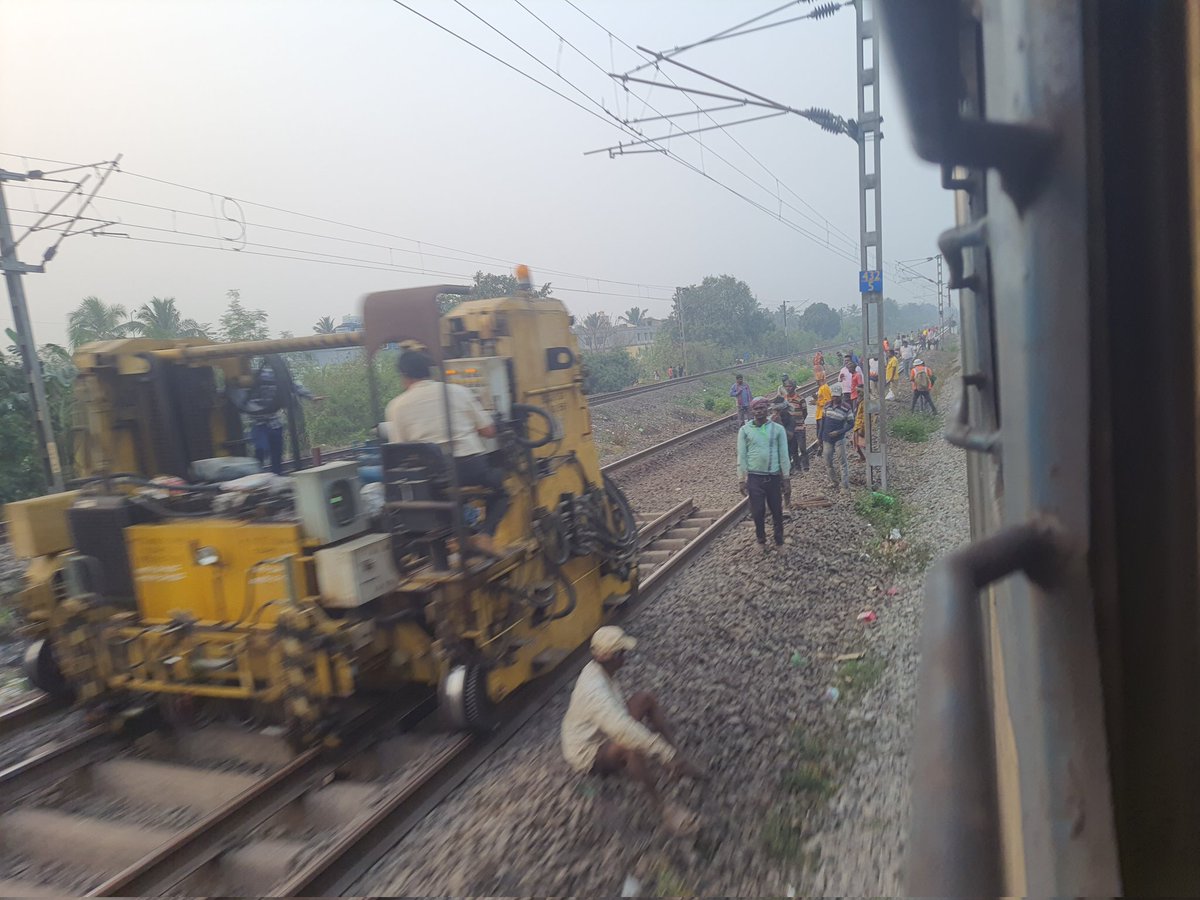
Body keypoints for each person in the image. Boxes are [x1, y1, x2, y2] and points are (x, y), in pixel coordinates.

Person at [561, 626, 702, 834]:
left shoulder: (600, 669)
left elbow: (617, 719)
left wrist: (670, 753)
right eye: (622, 653)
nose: (625, 657)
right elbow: (624, 731)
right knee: (630, 746)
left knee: (645, 699)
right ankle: (662, 809)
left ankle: (678, 762)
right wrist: (662, 752)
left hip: (604, 729)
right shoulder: (594, 692)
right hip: (588, 752)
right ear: (610, 656)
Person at [386, 349, 510, 554]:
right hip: (470, 468)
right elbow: (489, 431)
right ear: (430, 372)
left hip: (433, 478)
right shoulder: (458, 392)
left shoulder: (396, 406)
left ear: (404, 376)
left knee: (440, 496)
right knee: (501, 489)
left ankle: (458, 537)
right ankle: (486, 535)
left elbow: (400, 449)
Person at [737, 396, 790, 550]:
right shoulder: (745, 430)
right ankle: (761, 539)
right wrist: (741, 478)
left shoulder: (778, 429)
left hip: (773, 477)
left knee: (776, 510)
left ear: (767, 409)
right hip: (754, 477)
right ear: (752, 411)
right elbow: (741, 455)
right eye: (756, 409)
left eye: (762, 408)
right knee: (758, 510)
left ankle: (779, 539)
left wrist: (786, 478)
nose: (759, 411)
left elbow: (784, 455)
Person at [247, 368, 320, 475]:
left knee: (275, 454)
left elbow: (292, 385)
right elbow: (292, 385)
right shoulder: (262, 375)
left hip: (274, 423)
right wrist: (311, 396)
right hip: (260, 424)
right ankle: (257, 477)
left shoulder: (270, 375)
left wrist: (311, 397)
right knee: (262, 450)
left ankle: (275, 477)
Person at [821, 383, 854, 491]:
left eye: (837, 396)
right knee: (827, 461)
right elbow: (822, 422)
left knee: (842, 462)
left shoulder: (846, 408)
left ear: (841, 396)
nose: (835, 398)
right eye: (833, 396)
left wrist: (839, 432)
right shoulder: (826, 406)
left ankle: (845, 485)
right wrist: (819, 436)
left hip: (839, 438)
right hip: (827, 438)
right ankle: (834, 481)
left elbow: (851, 423)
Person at [777, 377, 809, 471]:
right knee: (792, 449)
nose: (788, 388)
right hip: (789, 429)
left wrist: (799, 421)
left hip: (799, 427)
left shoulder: (800, 399)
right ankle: (797, 467)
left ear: (794, 387)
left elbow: (805, 412)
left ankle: (806, 466)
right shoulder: (784, 400)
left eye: (790, 386)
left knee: (802, 447)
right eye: (786, 386)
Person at [814, 378, 832, 445]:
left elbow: (828, 402)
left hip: (823, 414)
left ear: (820, 380)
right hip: (819, 414)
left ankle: (822, 446)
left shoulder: (824, 388)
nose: (815, 381)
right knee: (819, 432)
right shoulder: (821, 388)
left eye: (816, 379)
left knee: (821, 432)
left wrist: (817, 402)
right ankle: (821, 446)